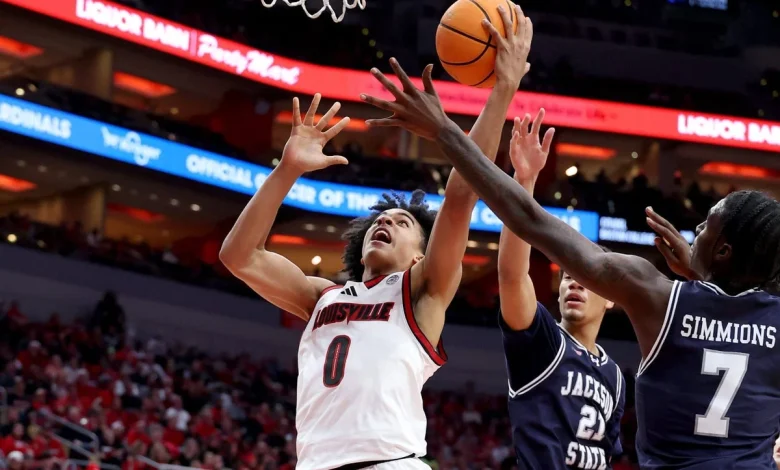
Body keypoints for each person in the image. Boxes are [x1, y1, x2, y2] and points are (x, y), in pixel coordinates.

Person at [360, 58, 780, 469]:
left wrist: (444, 130)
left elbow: (529, 218)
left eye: (705, 227)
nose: (696, 231)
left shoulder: (658, 297)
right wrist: (702, 277)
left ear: (723, 252)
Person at [220, 5, 533, 468]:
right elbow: (239, 256)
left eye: (403, 224)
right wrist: (287, 169)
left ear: (420, 256)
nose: (385, 223)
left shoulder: (423, 290)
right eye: (381, 220)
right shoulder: (321, 296)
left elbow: (462, 194)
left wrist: (504, 87)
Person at [497, 110, 624, 469]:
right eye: (567, 276)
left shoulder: (615, 376)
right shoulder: (543, 340)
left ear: (610, 298)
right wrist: (524, 182)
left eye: (587, 280)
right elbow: (512, 274)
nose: (574, 283)